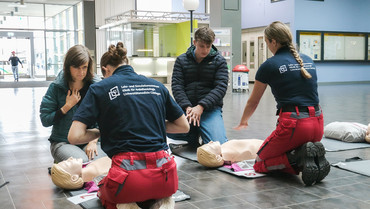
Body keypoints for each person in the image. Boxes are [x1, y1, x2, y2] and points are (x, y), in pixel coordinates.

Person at [68, 42, 189, 209]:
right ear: (128, 64)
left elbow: (74, 136)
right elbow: (184, 127)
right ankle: (162, 200)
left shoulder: (99, 88)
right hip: (166, 178)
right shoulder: (157, 86)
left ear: (105, 70)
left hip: (127, 179)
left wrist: (101, 131)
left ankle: (126, 203)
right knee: (151, 189)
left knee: (103, 190)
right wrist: (150, 123)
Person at [234, 21, 330, 186]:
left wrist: (243, 121)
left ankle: (298, 159)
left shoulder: (269, 65)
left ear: (273, 42)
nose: (267, 46)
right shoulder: (307, 60)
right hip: (318, 124)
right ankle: (307, 155)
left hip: (295, 126)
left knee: (260, 163)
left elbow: (253, 101)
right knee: (284, 149)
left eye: (266, 42)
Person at [40, 45, 106, 163]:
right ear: (68, 66)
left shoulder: (96, 87)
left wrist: (93, 141)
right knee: (81, 162)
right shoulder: (57, 87)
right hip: (63, 141)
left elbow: (105, 118)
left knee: (97, 163)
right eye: (76, 67)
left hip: (90, 141)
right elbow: (45, 120)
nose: (81, 72)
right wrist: (67, 107)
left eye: (84, 67)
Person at [168, 26, 229, 147]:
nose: (205, 50)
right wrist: (187, 107)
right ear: (195, 42)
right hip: (187, 109)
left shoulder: (220, 61)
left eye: (208, 46)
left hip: (209, 109)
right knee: (167, 129)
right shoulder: (181, 60)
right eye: (202, 46)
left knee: (218, 145)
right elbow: (177, 85)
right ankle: (194, 132)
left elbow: (221, 87)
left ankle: (201, 128)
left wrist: (201, 107)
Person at [197, 139, 263, 168]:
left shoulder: (223, 148)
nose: (210, 142)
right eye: (210, 146)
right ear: (217, 157)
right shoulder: (226, 153)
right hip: (262, 148)